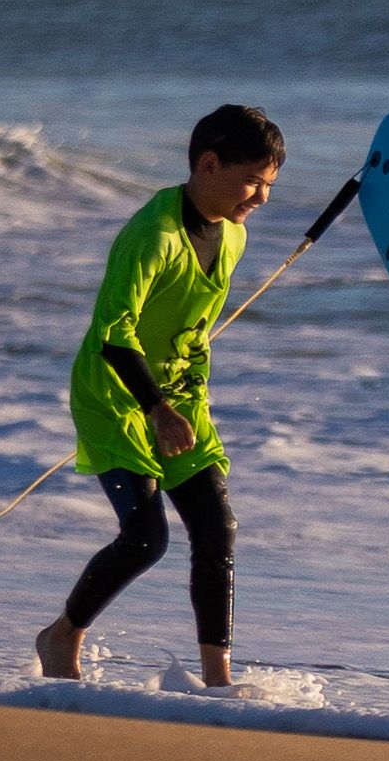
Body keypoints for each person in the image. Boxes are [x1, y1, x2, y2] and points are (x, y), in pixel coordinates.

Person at [33, 107, 284, 687]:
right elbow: (113, 334)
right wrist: (157, 408)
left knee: (217, 527)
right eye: (253, 181)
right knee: (146, 538)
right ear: (209, 164)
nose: (262, 198)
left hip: (178, 399)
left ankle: (218, 678)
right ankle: (62, 634)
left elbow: (188, 332)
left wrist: (181, 399)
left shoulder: (234, 237)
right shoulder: (154, 236)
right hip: (117, 397)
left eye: (270, 185)